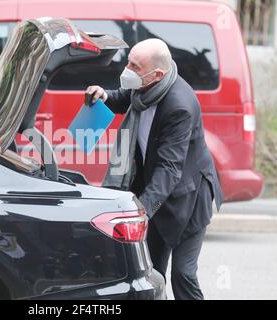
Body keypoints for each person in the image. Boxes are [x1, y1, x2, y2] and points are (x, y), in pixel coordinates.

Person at [85, 38, 223, 300]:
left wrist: (141, 211)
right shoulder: (145, 86)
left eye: (134, 66)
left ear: (157, 74)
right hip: (155, 190)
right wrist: (104, 95)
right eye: (129, 61)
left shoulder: (179, 106)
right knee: (148, 273)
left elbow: (170, 168)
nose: (126, 69)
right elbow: (124, 98)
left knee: (183, 274)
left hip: (188, 198)